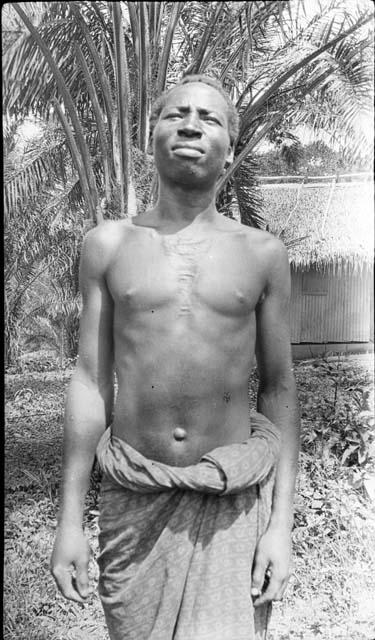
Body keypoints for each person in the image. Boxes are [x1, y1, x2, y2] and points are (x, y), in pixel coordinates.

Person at [51, 74, 300, 640]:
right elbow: (90, 382)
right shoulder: (106, 246)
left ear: (230, 149)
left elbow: (280, 389)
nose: (191, 124)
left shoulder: (263, 254)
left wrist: (281, 525)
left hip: (232, 500)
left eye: (209, 118)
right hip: (134, 497)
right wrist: (69, 522)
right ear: (152, 135)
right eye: (177, 114)